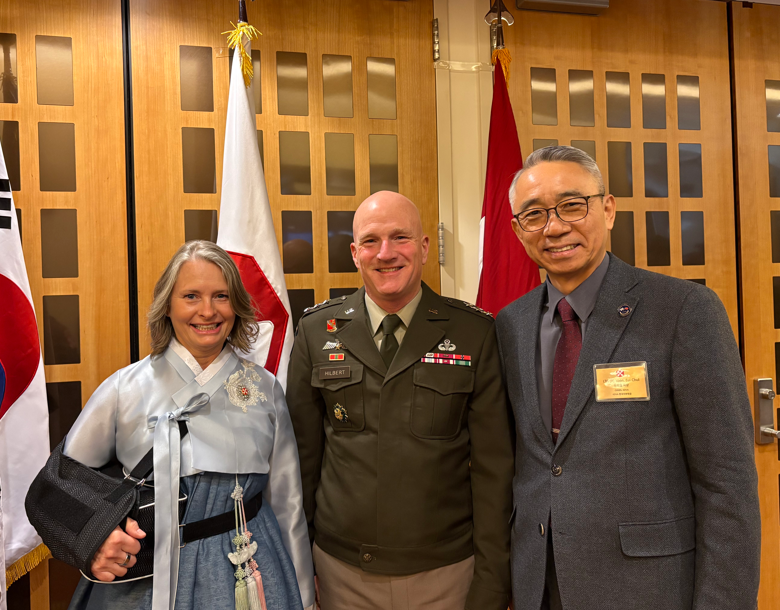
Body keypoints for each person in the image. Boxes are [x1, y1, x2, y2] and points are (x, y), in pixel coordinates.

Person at [496, 145, 761, 610]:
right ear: (518, 230)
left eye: (572, 205)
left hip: (648, 587)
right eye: (534, 215)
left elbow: (727, 485)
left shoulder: (682, 311)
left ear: (608, 208)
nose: (554, 227)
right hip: (538, 584)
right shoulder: (509, 324)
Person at [285, 191, 514, 610]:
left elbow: (494, 472)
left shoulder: (473, 333)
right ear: (355, 254)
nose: (385, 253)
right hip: (341, 574)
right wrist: (300, 564)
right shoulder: (317, 332)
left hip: (446, 575)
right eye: (371, 241)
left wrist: (493, 581)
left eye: (400, 238)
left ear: (424, 247)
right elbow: (301, 463)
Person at [64, 240, 315, 610]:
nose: (208, 311)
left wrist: (304, 596)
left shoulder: (264, 389)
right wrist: (98, 539)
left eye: (221, 296)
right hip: (142, 574)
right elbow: (67, 481)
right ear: (168, 305)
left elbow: (287, 501)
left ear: (238, 306)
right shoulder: (124, 387)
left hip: (244, 566)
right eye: (191, 296)